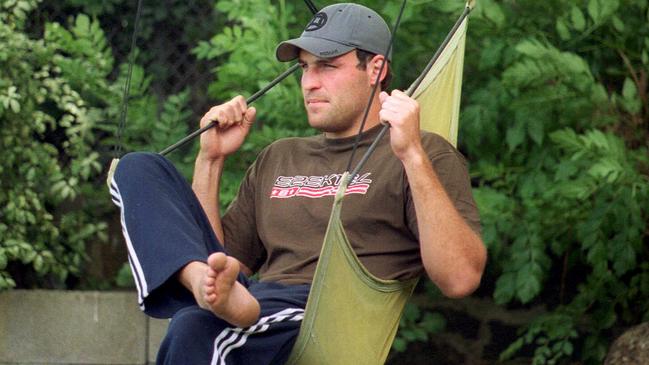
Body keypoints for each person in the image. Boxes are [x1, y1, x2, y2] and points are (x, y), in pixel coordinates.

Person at [110, 3, 486, 364]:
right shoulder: (280, 155)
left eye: (326, 66)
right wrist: (210, 161)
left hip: (320, 321)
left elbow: (460, 278)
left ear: (375, 69)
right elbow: (221, 263)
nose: (309, 83)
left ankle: (211, 303)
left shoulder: (421, 151)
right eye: (305, 68)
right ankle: (193, 286)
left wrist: (412, 155)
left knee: (194, 328)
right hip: (250, 303)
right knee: (139, 168)